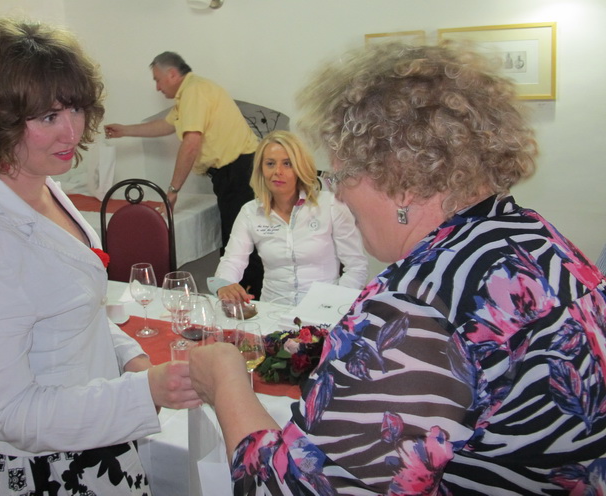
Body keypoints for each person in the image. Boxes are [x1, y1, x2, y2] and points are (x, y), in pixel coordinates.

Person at [189, 42, 606, 494]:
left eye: (341, 174)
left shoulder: (417, 307)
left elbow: (293, 487)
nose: (339, 193)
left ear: (402, 182)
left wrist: (226, 381)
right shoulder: (536, 237)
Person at [0, 19, 200, 495]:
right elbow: (12, 414)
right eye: (47, 117)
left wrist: (132, 360)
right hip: (39, 469)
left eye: (75, 108)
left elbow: (74, 309)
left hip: (87, 425)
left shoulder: (39, 182)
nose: (72, 131)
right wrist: (147, 392)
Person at [104, 52, 264, 296]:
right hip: (233, 172)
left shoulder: (194, 91)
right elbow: (166, 125)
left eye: (157, 79)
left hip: (240, 171)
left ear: (172, 74)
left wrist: (173, 191)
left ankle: (248, 300)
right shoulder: (190, 93)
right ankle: (243, 297)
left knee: (240, 243)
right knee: (237, 239)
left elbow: (191, 143)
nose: (157, 87)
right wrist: (125, 130)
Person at [211, 130, 368, 305]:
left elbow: (356, 267)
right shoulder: (250, 212)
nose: (277, 171)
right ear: (261, 169)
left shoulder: (331, 205)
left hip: (323, 308)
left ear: (300, 167)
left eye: (287, 164)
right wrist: (224, 285)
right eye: (270, 164)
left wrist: (334, 304)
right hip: (273, 310)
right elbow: (232, 261)